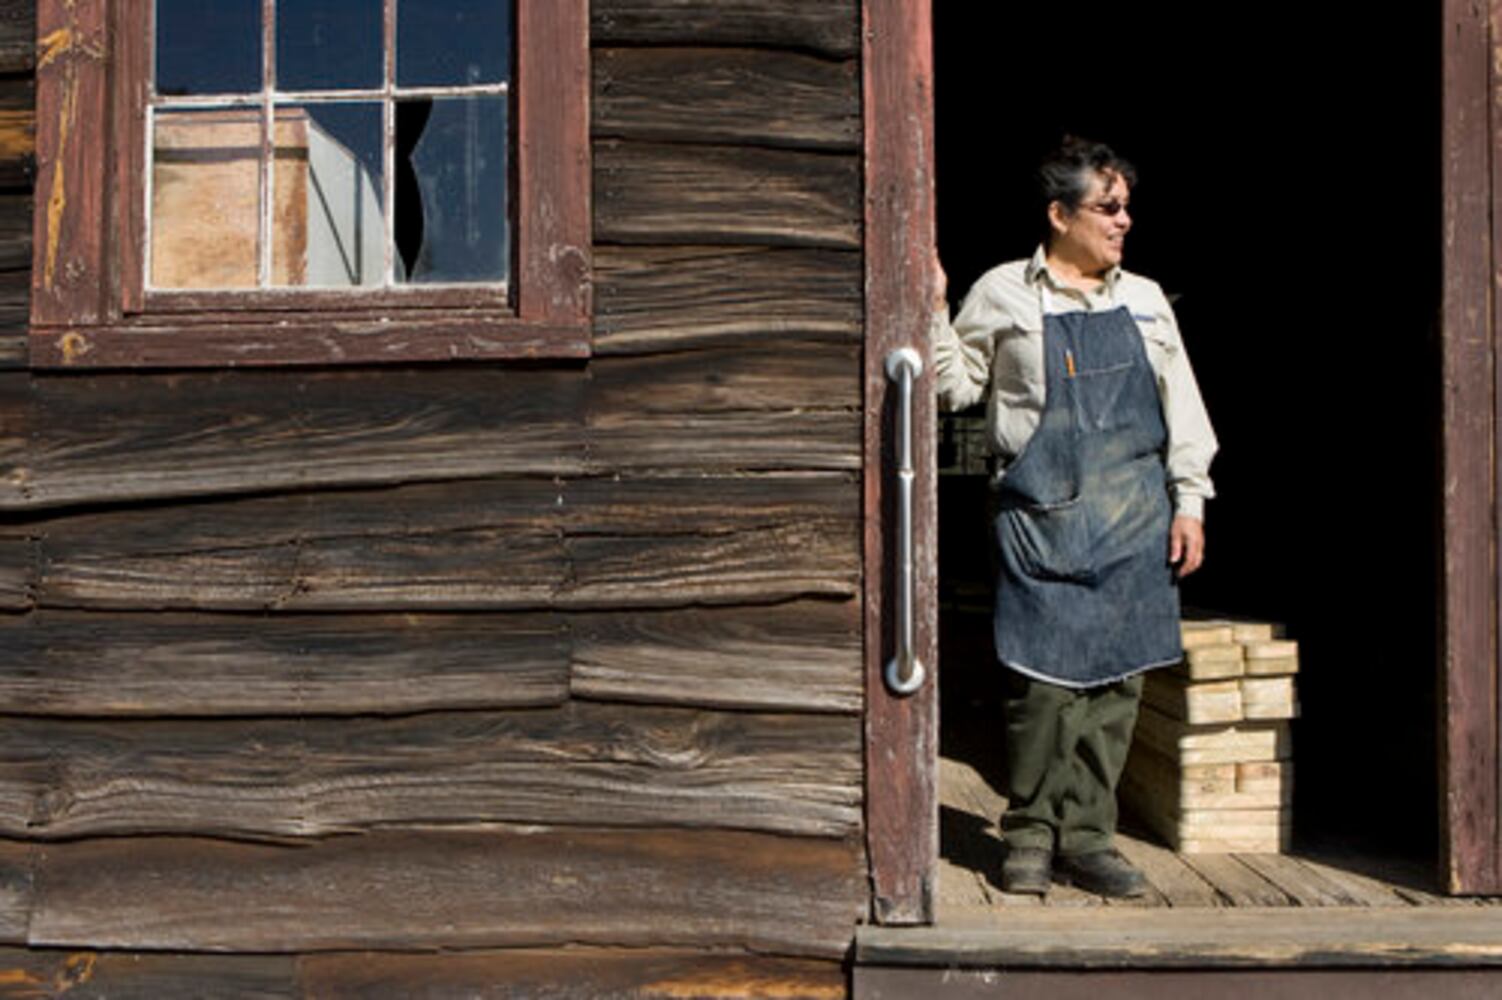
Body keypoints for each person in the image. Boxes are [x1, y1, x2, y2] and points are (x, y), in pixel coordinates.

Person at [931, 136, 1217, 897]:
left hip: (1132, 516)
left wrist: (1189, 501)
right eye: (1108, 207)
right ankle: (1028, 833)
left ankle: (1088, 837)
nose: (1124, 220)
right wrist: (930, 306)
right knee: (1042, 688)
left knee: (1117, 689)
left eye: (1126, 208)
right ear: (1060, 215)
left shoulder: (1146, 300)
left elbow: (1182, 405)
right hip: (1040, 519)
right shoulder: (1002, 292)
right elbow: (956, 388)